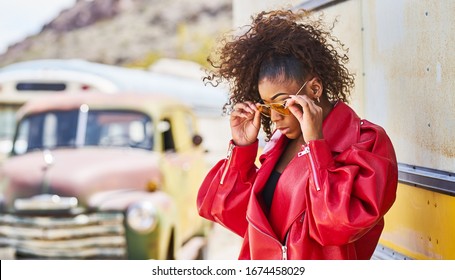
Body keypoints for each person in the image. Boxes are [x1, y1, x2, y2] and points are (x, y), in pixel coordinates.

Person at [197, 9, 398, 260]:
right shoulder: (278, 146)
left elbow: (338, 224)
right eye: (267, 107)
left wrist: (316, 145)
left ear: (314, 88)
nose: (276, 117)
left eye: (282, 103)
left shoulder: (367, 141)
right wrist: (241, 148)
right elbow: (227, 212)